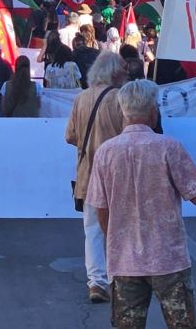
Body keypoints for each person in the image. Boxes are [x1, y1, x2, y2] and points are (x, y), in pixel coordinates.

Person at [87, 79, 196, 328]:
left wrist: (114, 242)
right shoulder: (168, 147)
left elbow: (101, 208)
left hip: (125, 261)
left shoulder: (106, 152)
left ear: (122, 111)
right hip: (168, 259)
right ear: (153, 111)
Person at [64, 51, 129, 303]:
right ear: (114, 72)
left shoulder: (81, 98)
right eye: (122, 70)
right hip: (117, 174)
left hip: (88, 174)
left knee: (92, 230)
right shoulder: (120, 98)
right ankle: (119, 279)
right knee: (119, 228)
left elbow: (69, 136)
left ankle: (97, 283)